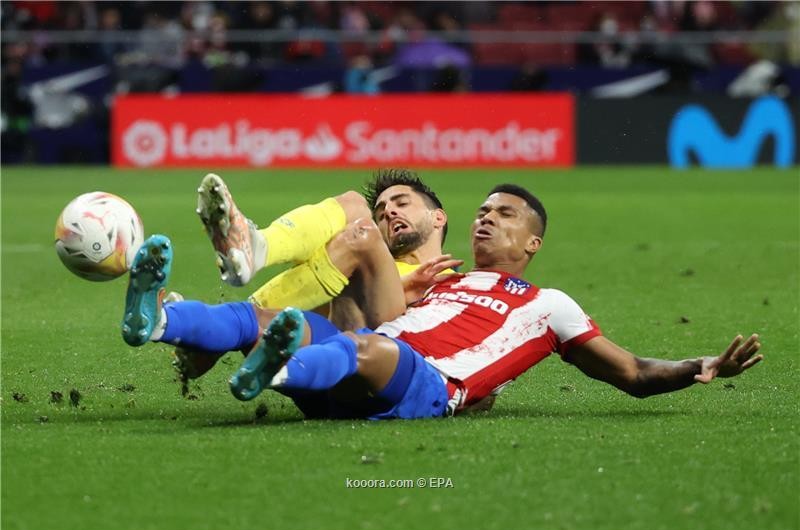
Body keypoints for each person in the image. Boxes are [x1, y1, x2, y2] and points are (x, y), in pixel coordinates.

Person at [126, 184, 763, 418]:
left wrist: (702, 367)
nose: (487, 221)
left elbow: (630, 373)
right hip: (365, 360)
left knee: (366, 349)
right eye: (483, 212)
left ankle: (280, 367)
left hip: (429, 386)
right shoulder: (443, 279)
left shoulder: (549, 303)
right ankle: (156, 322)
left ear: (532, 240)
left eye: (504, 215)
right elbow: (378, 304)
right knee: (263, 319)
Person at [124, 169, 458, 380]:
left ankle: (207, 342)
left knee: (355, 211)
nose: (389, 213)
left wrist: (405, 287)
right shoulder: (368, 254)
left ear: (438, 217)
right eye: (382, 211)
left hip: (376, 364)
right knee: (351, 232)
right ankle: (170, 322)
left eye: (402, 203)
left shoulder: (453, 281)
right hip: (317, 350)